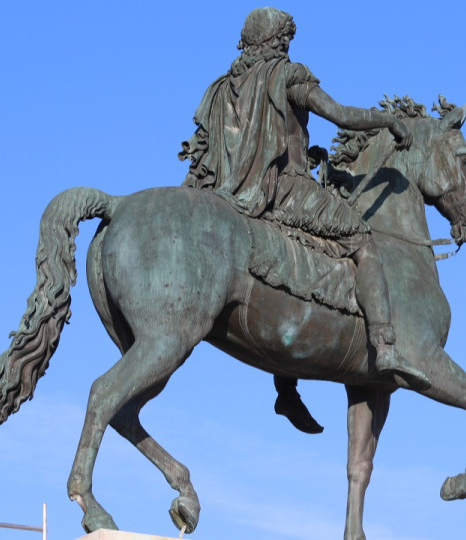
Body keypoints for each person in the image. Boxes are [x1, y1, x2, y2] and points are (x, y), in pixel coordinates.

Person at [179, 7, 429, 430]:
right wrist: (389, 120)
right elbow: (341, 115)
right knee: (363, 241)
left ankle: (286, 390)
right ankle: (385, 345)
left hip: (232, 195)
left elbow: (201, 154)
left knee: (289, 273)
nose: (287, 45)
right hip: (284, 190)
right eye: (285, 38)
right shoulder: (287, 76)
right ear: (278, 40)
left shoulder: (220, 89)